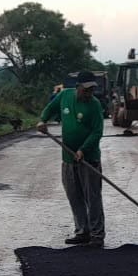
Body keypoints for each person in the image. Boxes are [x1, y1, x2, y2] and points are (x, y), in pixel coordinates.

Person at [37, 72, 105, 246]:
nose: (89, 93)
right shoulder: (65, 96)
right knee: (74, 196)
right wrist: (43, 120)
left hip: (88, 159)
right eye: (86, 89)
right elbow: (50, 109)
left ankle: (97, 235)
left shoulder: (95, 105)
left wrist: (83, 150)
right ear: (78, 87)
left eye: (92, 90)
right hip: (68, 158)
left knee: (93, 197)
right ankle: (82, 231)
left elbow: (97, 131)